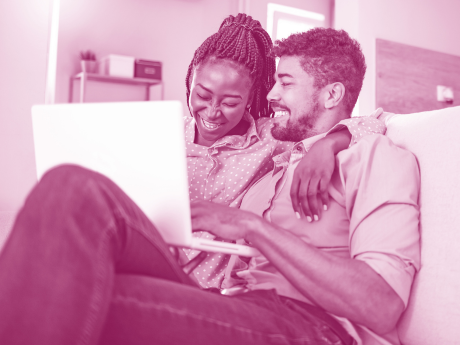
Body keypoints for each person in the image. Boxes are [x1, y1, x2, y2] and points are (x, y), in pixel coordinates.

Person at [0, 26, 418, 345]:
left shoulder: (375, 156)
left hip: (316, 327)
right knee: (71, 187)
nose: (270, 95)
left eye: (285, 83)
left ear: (332, 95)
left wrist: (250, 225)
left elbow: (380, 306)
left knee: (81, 285)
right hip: (241, 304)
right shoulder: (279, 164)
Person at [181, 13, 385, 288]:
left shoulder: (271, 137)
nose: (213, 112)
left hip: (211, 287)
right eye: (203, 96)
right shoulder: (165, 136)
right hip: (158, 264)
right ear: (189, 83)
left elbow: (376, 123)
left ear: (250, 98)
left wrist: (330, 143)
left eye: (230, 102)